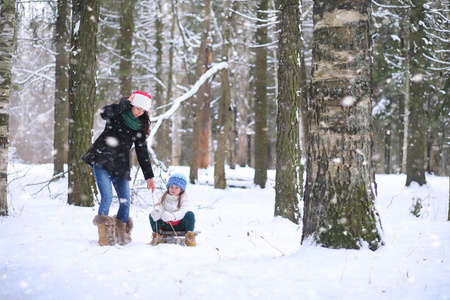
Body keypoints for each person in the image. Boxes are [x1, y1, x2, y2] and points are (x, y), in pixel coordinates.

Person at [83, 91, 156, 246]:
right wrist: (123, 105)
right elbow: (104, 113)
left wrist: (149, 176)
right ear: (131, 105)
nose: (139, 113)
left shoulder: (139, 127)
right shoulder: (117, 114)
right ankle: (104, 236)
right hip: (102, 159)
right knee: (107, 197)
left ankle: (120, 235)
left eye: (143, 111)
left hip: (120, 166)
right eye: (138, 108)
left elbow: (142, 152)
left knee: (125, 202)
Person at [149, 173, 197, 246]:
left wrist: (172, 216)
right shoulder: (164, 197)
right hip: (166, 225)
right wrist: (157, 212)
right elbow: (159, 206)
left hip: (180, 225)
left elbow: (183, 211)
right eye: (171, 186)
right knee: (152, 215)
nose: (173, 189)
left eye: (176, 187)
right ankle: (157, 235)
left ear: (181, 189)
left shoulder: (184, 198)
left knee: (190, 214)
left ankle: (189, 237)